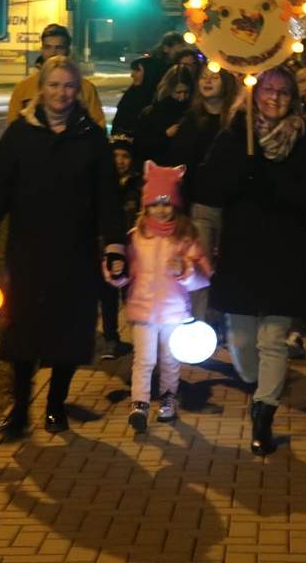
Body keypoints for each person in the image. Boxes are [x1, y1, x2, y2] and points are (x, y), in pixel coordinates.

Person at [0, 56, 126, 441]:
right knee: (22, 333)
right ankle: (20, 409)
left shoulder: (91, 137)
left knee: (68, 332)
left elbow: (107, 195)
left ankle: (56, 405)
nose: (61, 93)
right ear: (41, 88)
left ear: (79, 90)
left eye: (69, 86)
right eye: (54, 85)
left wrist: (113, 243)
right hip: (28, 250)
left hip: (75, 251)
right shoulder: (19, 134)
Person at [199, 65, 306, 455]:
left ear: (294, 98)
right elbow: (207, 185)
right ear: (255, 94)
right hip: (242, 250)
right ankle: (259, 387)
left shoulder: (305, 137)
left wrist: (275, 186)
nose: (275, 97)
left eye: (284, 91)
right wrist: (239, 176)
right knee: (242, 342)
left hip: (284, 250)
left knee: (272, 340)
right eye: (268, 89)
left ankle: (263, 413)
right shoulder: (235, 134)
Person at [105, 161, 212, 432]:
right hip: (143, 311)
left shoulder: (185, 236)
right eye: (155, 203)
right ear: (146, 206)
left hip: (175, 312)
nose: (161, 209)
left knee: (170, 360)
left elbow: (203, 274)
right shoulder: (136, 236)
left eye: (166, 203)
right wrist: (117, 272)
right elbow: (125, 273)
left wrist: (185, 269)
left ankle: (168, 398)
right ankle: (139, 403)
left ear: (175, 205)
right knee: (144, 359)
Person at [168, 66, 240, 323]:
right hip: (201, 206)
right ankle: (198, 323)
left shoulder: (238, 121)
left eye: (214, 77)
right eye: (203, 77)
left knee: (232, 269)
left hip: (234, 207)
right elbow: (179, 166)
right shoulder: (191, 121)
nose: (207, 81)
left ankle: (230, 324)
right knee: (199, 268)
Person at [6, 25, 105, 128]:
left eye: (59, 48)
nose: (53, 53)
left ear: (68, 51)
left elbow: (98, 125)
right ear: (41, 50)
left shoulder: (86, 89)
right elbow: (12, 127)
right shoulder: (23, 88)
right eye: (48, 47)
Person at [98, 133, 141, 360]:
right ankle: (111, 339)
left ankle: (139, 337)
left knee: (132, 296)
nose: (120, 161)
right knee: (107, 296)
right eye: (115, 156)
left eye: (125, 156)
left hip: (133, 251)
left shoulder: (138, 184)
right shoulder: (101, 183)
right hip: (107, 249)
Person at [135, 65, 195, 166]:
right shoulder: (152, 113)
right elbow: (140, 144)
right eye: (178, 92)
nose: (183, 97)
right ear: (169, 89)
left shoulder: (193, 113)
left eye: (186, 92)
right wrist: (165, 135)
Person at [112, 56, 163, 136]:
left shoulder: (160, 99)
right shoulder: (131, 94)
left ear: (150, 72)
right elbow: (118, 123)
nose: (132, 75)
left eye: (137, 70)